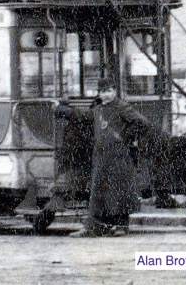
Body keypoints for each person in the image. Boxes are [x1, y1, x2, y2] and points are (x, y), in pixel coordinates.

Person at [56, 77, 153, 237]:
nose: (106, 95)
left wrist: (125, 138)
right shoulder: (99, 109)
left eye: (109, 91)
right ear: (99, 93)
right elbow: (82, 116)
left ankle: (122, 226)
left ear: (114, 91)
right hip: (101, 157)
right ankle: (95, 226)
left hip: (118, 157)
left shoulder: (122, 107)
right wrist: (62, 111)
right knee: (99, 191)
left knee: (119, 190)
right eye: (103, 92)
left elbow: (142, 123)